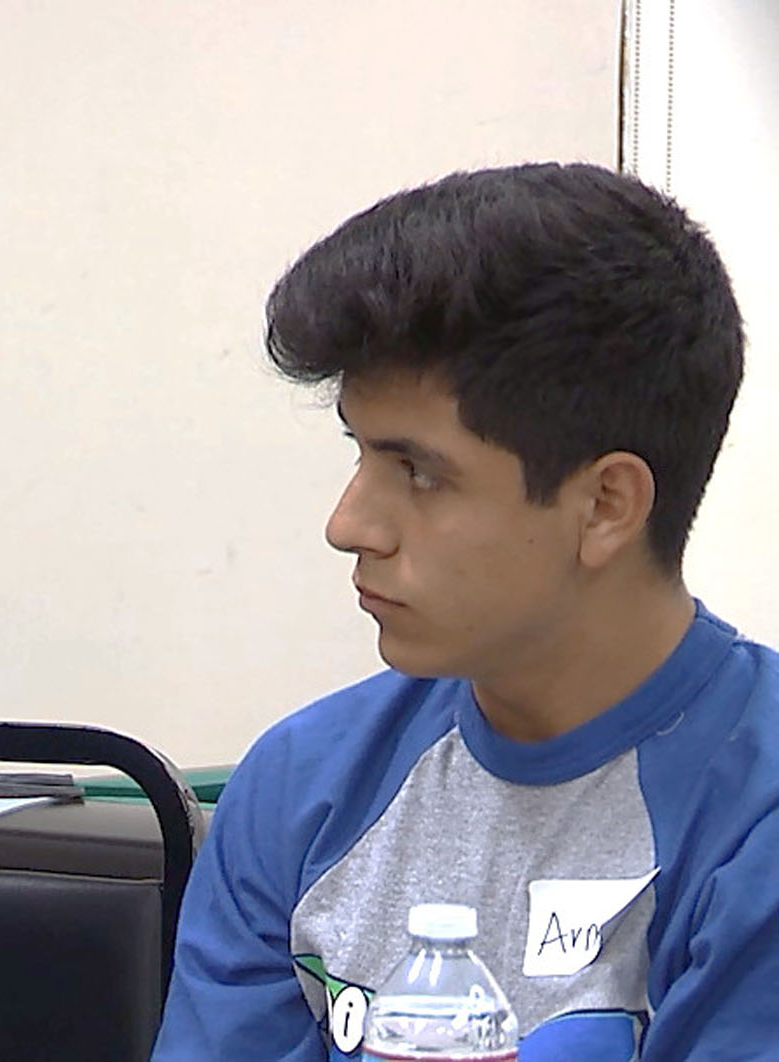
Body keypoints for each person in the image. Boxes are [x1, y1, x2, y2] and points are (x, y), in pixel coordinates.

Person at [152, 163, 779, 1060]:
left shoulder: (754, 818)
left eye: (417, 470)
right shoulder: (301, 789)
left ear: (605, 505)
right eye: (358, 452)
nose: (347, 525)